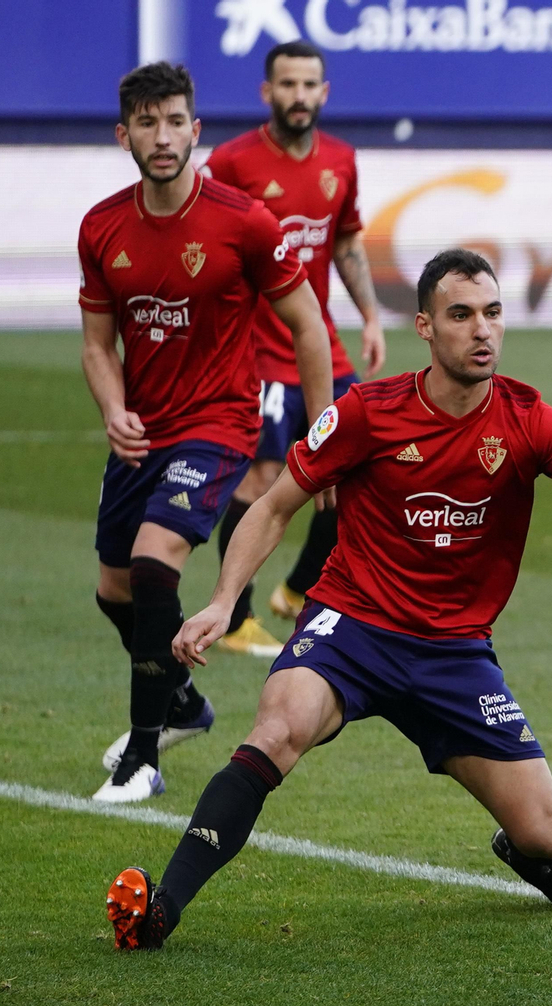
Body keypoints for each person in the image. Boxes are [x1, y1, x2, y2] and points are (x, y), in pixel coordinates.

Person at [103, 249, 552, 949]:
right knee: (277, 729)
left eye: (493, 313)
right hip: (351, 627)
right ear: (425, 326)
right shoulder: (368, 412)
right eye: (461, 315)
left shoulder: (531, 419)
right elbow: (272, 506)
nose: (482, 330)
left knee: (544, 833)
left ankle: (526, 853)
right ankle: (162, 910)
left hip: (454, 652)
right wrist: (221, 602)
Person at [80, 61, 333, 803]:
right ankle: (183, 701)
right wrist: (112, 407)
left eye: (174, 122)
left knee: (154, 561)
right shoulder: (101, 227)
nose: (162, 138)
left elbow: (309, 326)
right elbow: (97, 345)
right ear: (124, 135)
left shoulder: (244, 221)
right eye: (147, 124)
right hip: (142, 429)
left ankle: (142, 759)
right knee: (114, 590)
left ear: (196, 130)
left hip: (220, 422)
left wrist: (323, 438)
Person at [202, 39, 386, 658]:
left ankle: (300, 589)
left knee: (356, 466)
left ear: (324, 92)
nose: (299, 96)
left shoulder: (342, 160)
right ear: (267, 91)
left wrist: (370, 317)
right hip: (257, 353)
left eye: (310, 85)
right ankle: (235, 619)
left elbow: (347, 242)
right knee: (264, 479)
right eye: (287, 84)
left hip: (320, 347)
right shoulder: (231, 163)